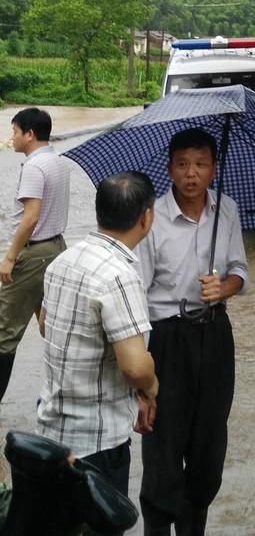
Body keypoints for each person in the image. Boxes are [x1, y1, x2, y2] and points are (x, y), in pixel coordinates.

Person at [137, 127, 248, 536]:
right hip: (167, 338)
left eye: (201, 164)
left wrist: (224, 288)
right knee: (164, 441)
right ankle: (156, 526)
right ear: (169, 169)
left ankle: (193, 525)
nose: (191, 174)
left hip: (215, 336)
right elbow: (139, 293)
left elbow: (240, 271)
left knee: (208, 442)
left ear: (214, 169)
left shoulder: (228, 210)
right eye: (183, 164)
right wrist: (140, 376)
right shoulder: (151, 217)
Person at [37, 171, 158, 536]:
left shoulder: (64, 260)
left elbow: (45, 325)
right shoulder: (119, 275)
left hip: (51, 431)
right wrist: (150, 388)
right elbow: (136, 366)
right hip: (98, 444)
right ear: (146, 218)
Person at [0, 107, 70, 404]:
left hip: (34, 254)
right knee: (52, 325)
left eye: (14, 131)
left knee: (3, 332)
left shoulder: (33, 167)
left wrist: (10, 257)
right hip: (56, 249)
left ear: (29, 134)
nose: (11, 137)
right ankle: (65, 393)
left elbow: (30, 218)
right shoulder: (57, 162)